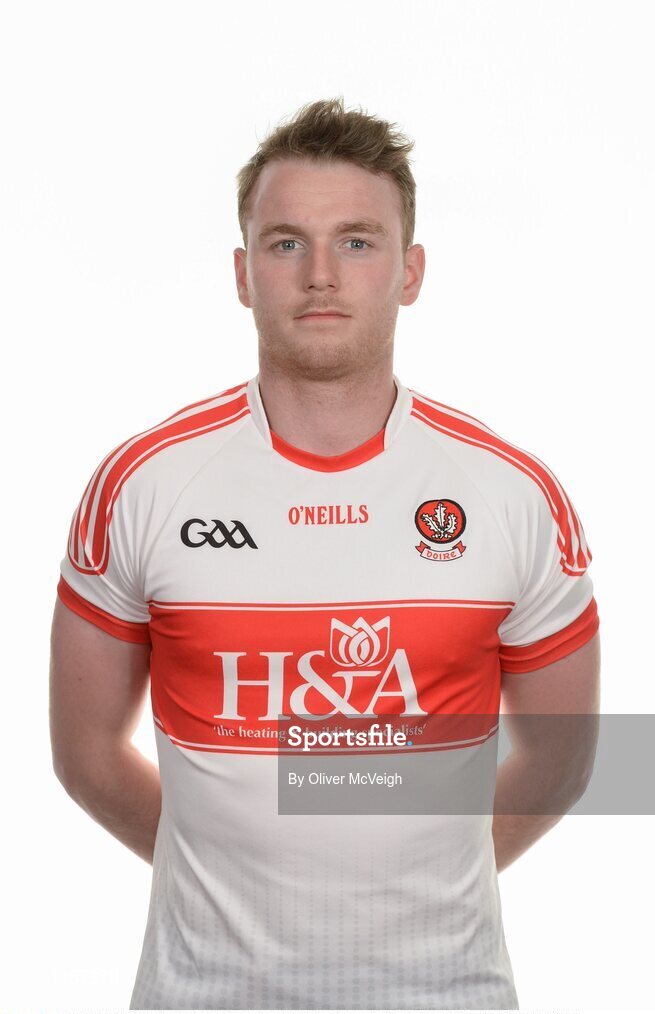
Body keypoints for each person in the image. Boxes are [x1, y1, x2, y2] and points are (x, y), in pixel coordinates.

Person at [49, 96, 600, 1011]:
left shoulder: (513, 494)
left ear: (409, 271)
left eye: (356, 241)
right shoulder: (141, 485)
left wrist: (434, 879)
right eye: (284, 243)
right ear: (242, 273)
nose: (318, 275)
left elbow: (566, 759)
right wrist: (221, 878)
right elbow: (87, 756)